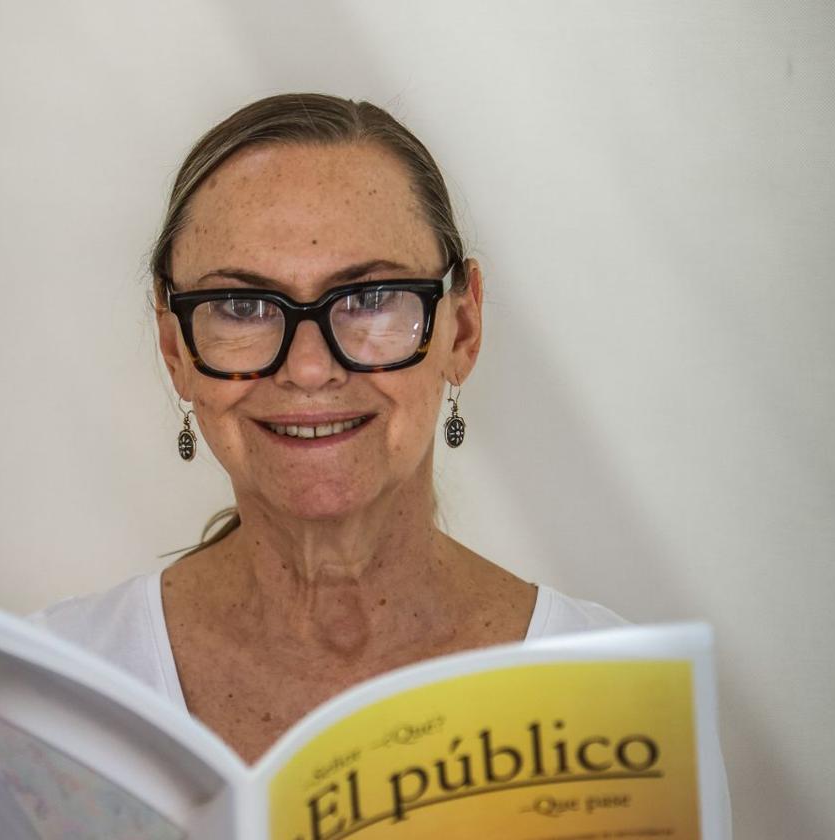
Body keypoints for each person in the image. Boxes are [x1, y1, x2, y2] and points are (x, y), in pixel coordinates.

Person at [35, 93, 630, 764]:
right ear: (175, 349)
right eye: (241, 305)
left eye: (370, 298)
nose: (310, 368)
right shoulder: (44, 693)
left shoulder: (617, 701)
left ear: (461, 329)